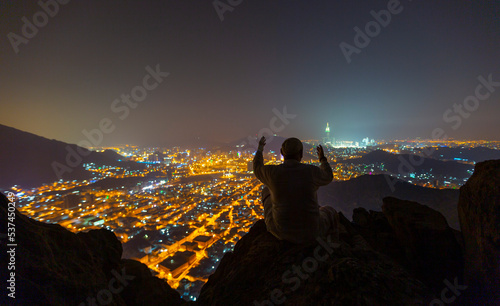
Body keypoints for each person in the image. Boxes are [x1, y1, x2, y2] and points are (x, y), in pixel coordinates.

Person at [253, 136, 339, 245]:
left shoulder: (272, 172)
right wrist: (322, 159)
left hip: (281, 232)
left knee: (266, 190)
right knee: (329, 210)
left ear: (282, 153)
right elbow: (328, 176)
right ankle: (334, 246)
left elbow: (257, 168)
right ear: (301, 154)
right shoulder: (311, 172)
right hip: (311, 232)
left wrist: (260, 149)